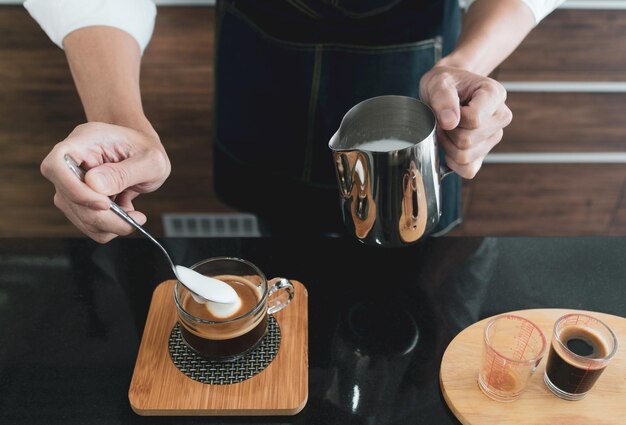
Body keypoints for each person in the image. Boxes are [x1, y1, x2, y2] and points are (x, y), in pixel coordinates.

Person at [24, 0, 566, 243]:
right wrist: (121, 121)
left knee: (412, 261)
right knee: (286, 247)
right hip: (264, 59)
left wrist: (465, 66)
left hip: (411, 60)